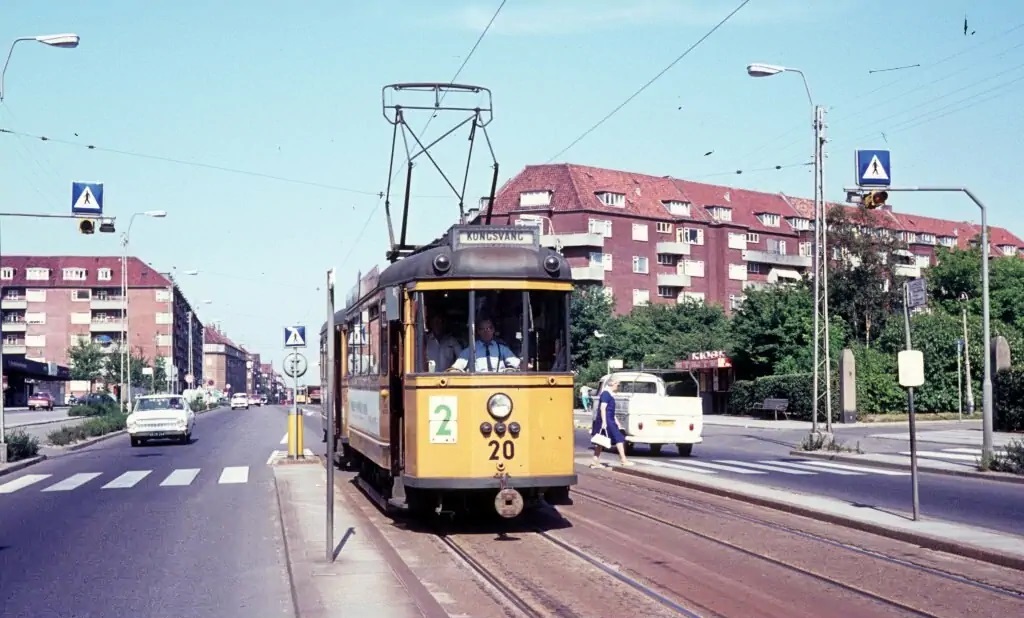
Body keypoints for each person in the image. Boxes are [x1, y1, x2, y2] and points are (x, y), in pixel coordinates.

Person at [590, 377, 634, 468]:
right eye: (617, 384)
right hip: (607, 420)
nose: (618, 386)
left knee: (601, 441)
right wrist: (604, 422)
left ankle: (595, 461)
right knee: (619, 438)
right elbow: (603, 408)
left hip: (609, 419)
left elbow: (610, 410)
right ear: (612, 384)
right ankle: (623, 460)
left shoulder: (608, 394)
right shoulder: (606, 394)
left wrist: (617, 422)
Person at [451, 318, 520, 372]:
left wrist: (523, 364)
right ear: (478, 331)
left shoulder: (501, 348)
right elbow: (456, 367)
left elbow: (516, 363)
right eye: (482, 329)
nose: (486, 331)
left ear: (493, 330)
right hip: (477, 385)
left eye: (489, 328)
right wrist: (454, 370)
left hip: (498, 384)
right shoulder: (471, 349)